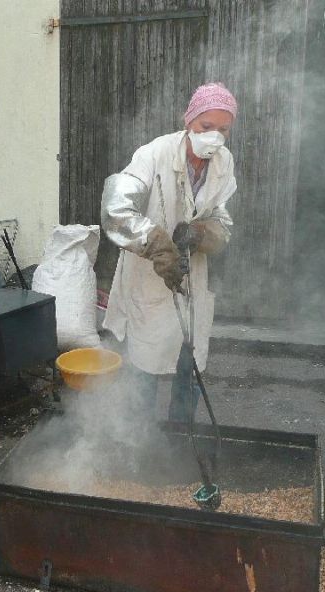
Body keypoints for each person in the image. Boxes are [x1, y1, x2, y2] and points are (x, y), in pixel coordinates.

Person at [101, 82, 238, 421]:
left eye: (224, 130)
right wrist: (158, 244)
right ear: (189, 120)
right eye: (207, 128)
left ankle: (180, 439)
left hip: (192, 272)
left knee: (187, 362)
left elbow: (222, 216)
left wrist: (203, 233)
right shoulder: (153, 154)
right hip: (148, 274)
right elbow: (115, 208)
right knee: (143, 367)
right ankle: (138, 441)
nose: (215, 138)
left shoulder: (223, 162)